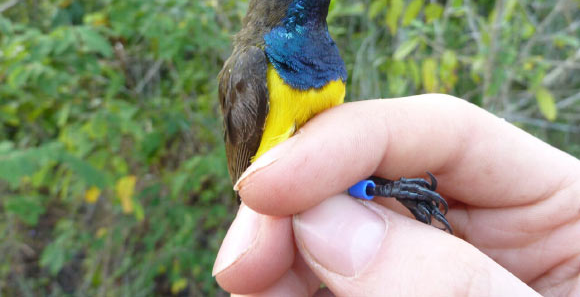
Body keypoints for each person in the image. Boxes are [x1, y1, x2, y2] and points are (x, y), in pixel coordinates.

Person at [212, 94, 580, 296]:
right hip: (278, 190)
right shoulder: (254, 62)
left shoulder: (323, 58)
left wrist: (388, 189)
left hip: (307, 179)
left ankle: (381, 189)